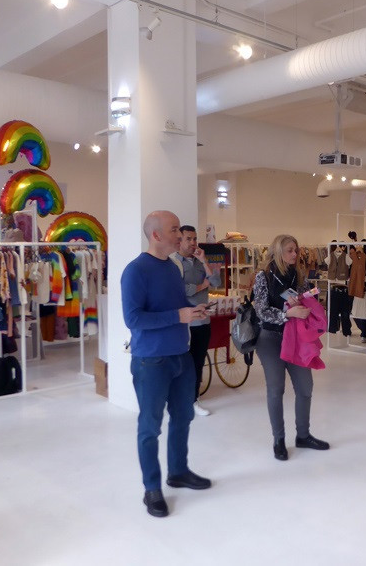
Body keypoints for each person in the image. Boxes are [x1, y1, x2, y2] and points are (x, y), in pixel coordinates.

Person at [121, 211, 212, 518]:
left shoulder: (173, 268)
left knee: (183, 416)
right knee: (150, 426)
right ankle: (152, 488)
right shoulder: (135, 271)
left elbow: (176, 305)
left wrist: (192, 309)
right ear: (156, 235)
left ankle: (178, 471)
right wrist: (178, 316)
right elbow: (133, 319)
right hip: (151, 361)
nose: (180, 235)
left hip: (180, 355)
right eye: (174, 230)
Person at [253, 234, 329, 461]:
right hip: (270, 338)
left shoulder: (299, 275)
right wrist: (287, 314)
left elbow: (307, 298)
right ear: (278, 251)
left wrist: (305, 303)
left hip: (296, 338)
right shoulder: (263, 276)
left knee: (305, 387)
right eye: (290, 250)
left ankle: (303, 435)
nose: (295, 254)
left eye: (296, 250)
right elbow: (261, 311)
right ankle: (279, 440)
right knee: (276, 389)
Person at [172, 225, 221, 417]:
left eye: (195, 239)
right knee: (180, 363)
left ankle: (193, 399)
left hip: (202, 321)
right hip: (183, 322)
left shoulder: (200, 261)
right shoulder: (174, 263)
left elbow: (216, 282)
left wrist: (205, 261)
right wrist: (203, 285)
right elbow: (181, 290)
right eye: (189, 239)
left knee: (198, 362)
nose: (193, 243)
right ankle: (177, 399)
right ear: (180, 241)